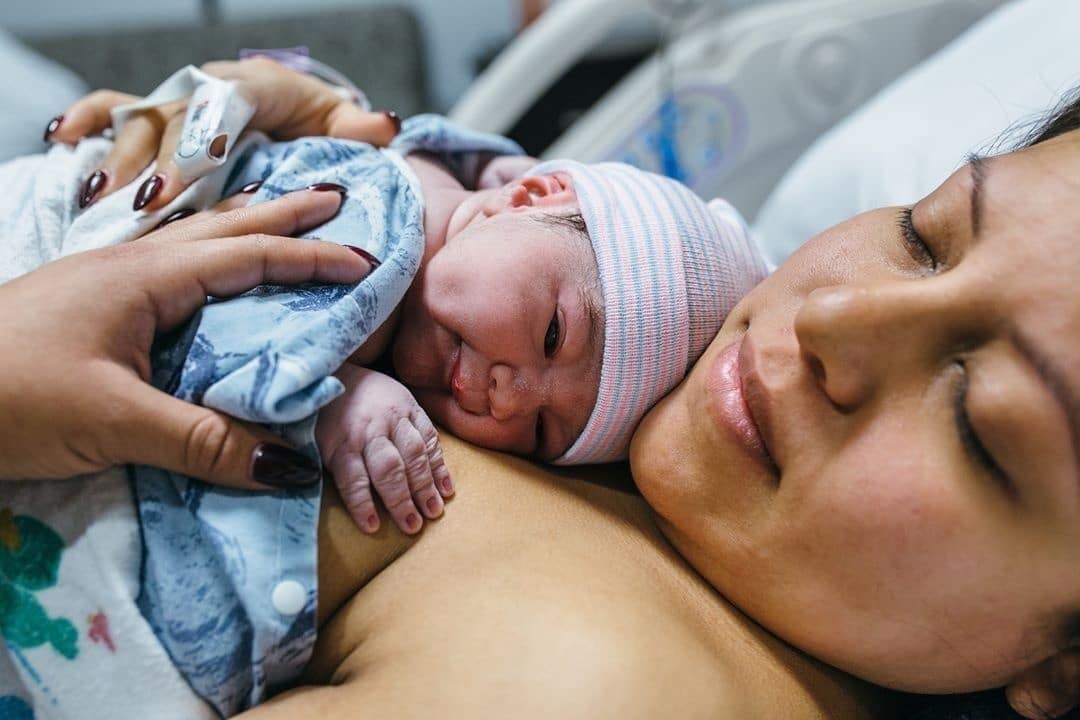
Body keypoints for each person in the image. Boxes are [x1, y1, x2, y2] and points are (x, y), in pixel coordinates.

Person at [4, 58, 1077, 720]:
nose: (834, 322)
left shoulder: (595, 686)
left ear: (1064, 671)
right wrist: (331, 132)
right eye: (924, 235)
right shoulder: (694, 391)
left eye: (979, 423)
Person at [30, 73, 767, 537]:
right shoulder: (385, 225)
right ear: (531, 193)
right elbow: (205, 344)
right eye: (552, 333)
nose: (510, 398)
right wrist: (333, 396)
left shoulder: (439, 211)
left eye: (545, 429)